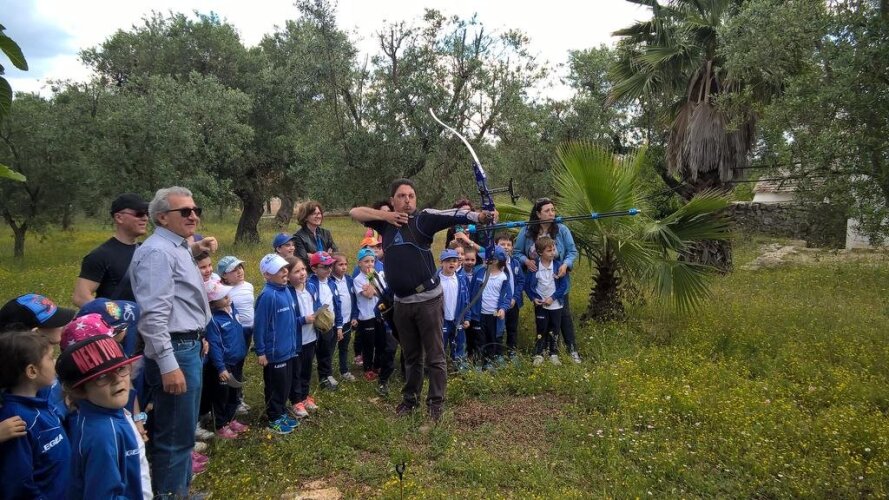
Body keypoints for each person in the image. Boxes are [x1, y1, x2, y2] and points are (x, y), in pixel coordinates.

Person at [349, 178, 495, 420]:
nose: (407, 200)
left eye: (411, 196)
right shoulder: (385, 224)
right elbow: (355, 212)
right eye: (401, 196)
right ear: (393, 200)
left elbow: (453, 215)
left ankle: (435, 404)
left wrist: (480, 216)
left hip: (428, 300)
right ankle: (410, 401)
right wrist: (386, 216)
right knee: (412, 356)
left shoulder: (423, 219)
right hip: (401, 303)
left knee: (435, 356)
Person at [130, 186, 216, 497]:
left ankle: (180, 490)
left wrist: (198, 334)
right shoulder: (157, 253)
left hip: (187, 345)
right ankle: (170, 494)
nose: (193, 216)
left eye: (196, 210)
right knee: (174, 434)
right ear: (162, 217)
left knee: (183, 429)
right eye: (185, 211)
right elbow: (153, 316)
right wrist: (168, 364)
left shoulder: (176, 247)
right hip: (175, 350)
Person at [57, 332, 152, 499]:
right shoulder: (104, 434)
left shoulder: (109, 411)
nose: (117, 379)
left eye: (121, 368)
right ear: (79, 391)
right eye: (102, 376)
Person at [0, 331, 71, 499]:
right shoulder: (16, 422)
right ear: (32, 371)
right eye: (50, 358)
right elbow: (18, 483)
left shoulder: (40, 399)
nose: (55, 362)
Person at [514, 197, 582, 363]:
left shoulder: (562, 230)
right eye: (547, 210)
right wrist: (526, 261)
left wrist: (565, 265)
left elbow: (572, 252)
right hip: (537, 282)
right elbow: (517, 252)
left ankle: (571, 349)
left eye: (553, 210)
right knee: (542, 317)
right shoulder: (527, 231)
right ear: (538, 214)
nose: (551, 213)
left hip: (557, 279)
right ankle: (542, 350)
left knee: (563, 314)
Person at [0, 293, 77, 422]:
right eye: (55, 322)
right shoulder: (32, 382)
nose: (62, 326)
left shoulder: (39, 369)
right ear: (36, 333)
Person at [73, 193, 150, 306]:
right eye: (139, 214)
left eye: (147, 213)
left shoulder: (147, 251)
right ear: (119, 218)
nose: (145, 218)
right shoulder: (100, 255)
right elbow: (80, 297)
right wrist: (116, 313)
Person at [253, 254, 299, 435]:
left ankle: (281, 411)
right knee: (275, 386)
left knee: (285, 384)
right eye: (279, 270)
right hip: (274, 352)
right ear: (267, 275)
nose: (285, 272)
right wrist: (261, 351)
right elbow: (260, 326)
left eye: (284, 268)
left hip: (288, 349)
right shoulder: (267, 296)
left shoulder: (285, 290)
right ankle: (273, 418)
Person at [203, 278, 249, 439]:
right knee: (221, 395)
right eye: (223, 297)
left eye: (227, 295)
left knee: (234, 393)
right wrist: (220, 367)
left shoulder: (232, 311)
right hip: (224, 365)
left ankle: (231, 419)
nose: (228, 298)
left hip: (237, 361)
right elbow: (215, 346)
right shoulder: (214, 321)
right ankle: (221, 424)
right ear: (212, 303)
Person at [353, 248, 395, 395]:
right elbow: (369, 295)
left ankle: (377, 365)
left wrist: (373, 287)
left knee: (380, 342)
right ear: (359, 263)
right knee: (368, 345)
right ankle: (367, 368)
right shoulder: (358, 280)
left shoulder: (378, 275)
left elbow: (383, 293)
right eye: (366, 261)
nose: (370, 264)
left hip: (379, 315)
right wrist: (372, 283)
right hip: (366, 317)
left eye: (372, 261)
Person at [524, 236, 570, 366]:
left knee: (554, 328)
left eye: (553, 250)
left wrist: (552, 298)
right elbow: (527, 285)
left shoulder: (558, 266)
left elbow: (563, 286)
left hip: (555, 304)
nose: (552, 253)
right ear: (540, 252)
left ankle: (553, 353)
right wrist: (533, 298)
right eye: (549, 251)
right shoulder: (534, 267)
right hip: (540, 304)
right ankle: (539, 353)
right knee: (541, 328)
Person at [217, 255, 254, 415]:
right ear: (224, 275)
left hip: (248, 330)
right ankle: (232, 400)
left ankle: (238, 396)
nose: (239, 271)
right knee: (233, 365)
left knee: (241, 363)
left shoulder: (248, 286)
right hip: (233, 332)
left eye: (240, 267)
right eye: (233, 270)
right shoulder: (224, 292)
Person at [467, 247, 511, 369]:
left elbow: (507, 296)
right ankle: (478, 363)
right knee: (479, 339)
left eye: (486, 258)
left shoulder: (503, 277)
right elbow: (471, 291)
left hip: (494, 315)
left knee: (492, 339)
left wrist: (503, 308)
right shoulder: (479, 272)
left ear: (495, 261)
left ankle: (489, 362)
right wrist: (470, 309)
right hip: (479, 314)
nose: (483, 260)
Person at [285, 256, 318, 419]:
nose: (302, 273)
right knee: (296, 371)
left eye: (303, 269)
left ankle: (305, 396)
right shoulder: (288, 293)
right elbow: (286, 320)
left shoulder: (311, 287)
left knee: (307, 368)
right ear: (288, 276)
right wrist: (303, 320)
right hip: (296, 340)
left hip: (311, 337)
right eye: (296, 271)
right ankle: (296, 400)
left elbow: (316, 306)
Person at [308, 251, 344, 391]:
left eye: (330, 266)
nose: (329, 269)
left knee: (328, 351)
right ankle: (321, 377)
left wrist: (339, 325)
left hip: (332, 324)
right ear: (314, 269)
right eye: (324, 267)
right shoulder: (310, 284)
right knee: (320, 351)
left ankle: (327, 375)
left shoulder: (332, 283)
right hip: (318, 325)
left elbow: (337, 304)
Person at [438, 249, 470, 370]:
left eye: (454, 261)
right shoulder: (436, 280)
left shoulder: (461, 279)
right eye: (447, 261)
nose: (451, 263)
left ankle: (459, 367)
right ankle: (439, 369)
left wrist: (467, 317)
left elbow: (466, 299)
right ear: (441, 263)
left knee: (459, 344)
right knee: (440, 345)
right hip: (442, 320)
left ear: (458, 263)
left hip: (458, 319)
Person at [330, 253, 359, 382]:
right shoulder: (329, 282)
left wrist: (354, 316)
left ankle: (344, 371)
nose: (344, 267)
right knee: (330, 349)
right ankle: (327, 374)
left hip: (347, 322)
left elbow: (354, 300)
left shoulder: (349, 280)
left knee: (344, 347)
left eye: (346, 264)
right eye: (340, 264)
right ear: (332, 266)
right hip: (334, 324)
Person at [495, 233, 525, 358]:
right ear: (496, 246)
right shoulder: (494, 264)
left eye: (509, 244)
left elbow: (521, 281)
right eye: (502, 244)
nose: (506, 247)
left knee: (512, 328)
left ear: (512, 247)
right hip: (499, 304)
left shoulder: (515, 263)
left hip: (513, 303)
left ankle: (512, 351)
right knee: (499, 329)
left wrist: (515, 298)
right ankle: (498, 353)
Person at [293, 200, 338, 271]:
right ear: (305, 217)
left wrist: (313, 256)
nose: (318, 216)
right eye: (314, 214)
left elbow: (335, 253)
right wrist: (326, 256)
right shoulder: (298, 237)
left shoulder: (326, 233)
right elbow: (304, 259)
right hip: (310, 273)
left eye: (319, 213)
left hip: (328, 270)